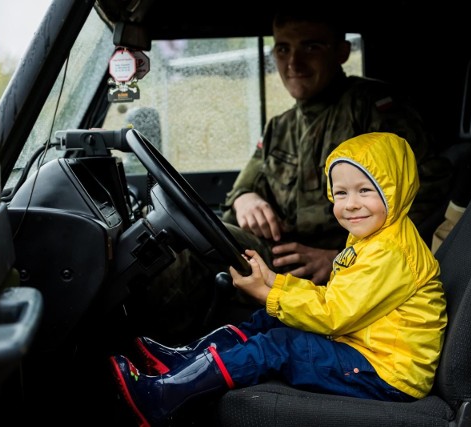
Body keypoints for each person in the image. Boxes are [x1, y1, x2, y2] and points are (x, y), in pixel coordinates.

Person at [126, 7, 450, 344]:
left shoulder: (374, 110)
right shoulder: (279, 127)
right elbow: (239, 192)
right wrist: (247, 198)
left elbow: (427, 192)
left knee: (189, 248)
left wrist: (344, 258)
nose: (293, 63)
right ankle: (156, 348)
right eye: (283, 49)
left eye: (311, 47)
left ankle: (144, 349)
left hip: (348, 273)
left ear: (341, 53)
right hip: (277, 260)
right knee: (183, 236)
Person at [109, 132, 448, 427]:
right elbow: (337, 298)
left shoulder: (391, 252)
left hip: (388, 373)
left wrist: (267, 294)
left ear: (395, 191)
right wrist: (274, 281)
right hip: (370, 348)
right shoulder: (373, 238)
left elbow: (333, 314)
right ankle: (187, 361)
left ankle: (165, 397)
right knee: (270, 319)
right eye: (340, 193)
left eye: (365, 191)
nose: (351, 205)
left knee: (280, 346)